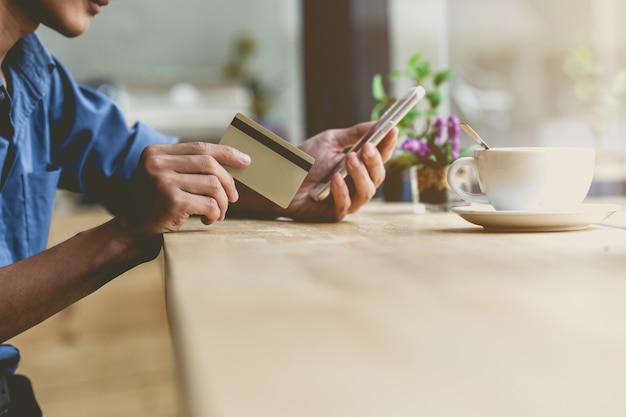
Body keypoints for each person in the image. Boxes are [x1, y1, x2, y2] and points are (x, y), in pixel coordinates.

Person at [0, 0, 397, 414]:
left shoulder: (34, 77)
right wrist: (126, 235)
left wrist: (294, 181)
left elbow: (152, 161)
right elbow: (146, 198)